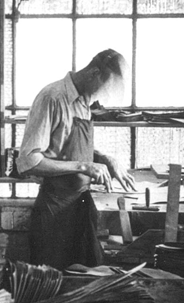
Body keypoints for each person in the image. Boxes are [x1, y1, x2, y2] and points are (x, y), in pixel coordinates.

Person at [17, 48, 136, 269]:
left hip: (79, 207)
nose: (100, 98)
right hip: (55, 211)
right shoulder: (52, 97)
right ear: (93, 73)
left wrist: (103, 158)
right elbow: (28, 161)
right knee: (52, 287)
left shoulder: (83, 102)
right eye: (102, 90)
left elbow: (66, 146)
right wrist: (84, 165)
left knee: (83, 280)